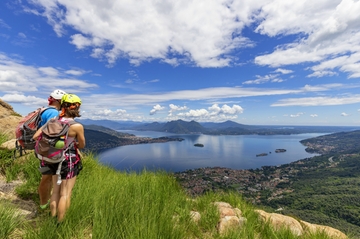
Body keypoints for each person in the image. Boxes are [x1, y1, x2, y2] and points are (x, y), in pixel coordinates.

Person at [33, 93, 85, 222]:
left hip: (53, 158)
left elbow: (36, 137)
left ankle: (52, 218)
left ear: (63, 106)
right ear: (76, 107)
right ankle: (61, 224)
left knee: (55, 191)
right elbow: (82, 145)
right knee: (65, 193)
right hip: (68, 160)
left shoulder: (52, 121)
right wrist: (73, 143)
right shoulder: (76, 126)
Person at [38, 89, 67, 210]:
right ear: (60, 101)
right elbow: (54, 134)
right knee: (47, 177)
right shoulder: (53, 114)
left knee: (47, 176)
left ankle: (45, 200)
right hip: (47, 150)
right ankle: (44, 204)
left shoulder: (44, 110)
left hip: (42, 148)